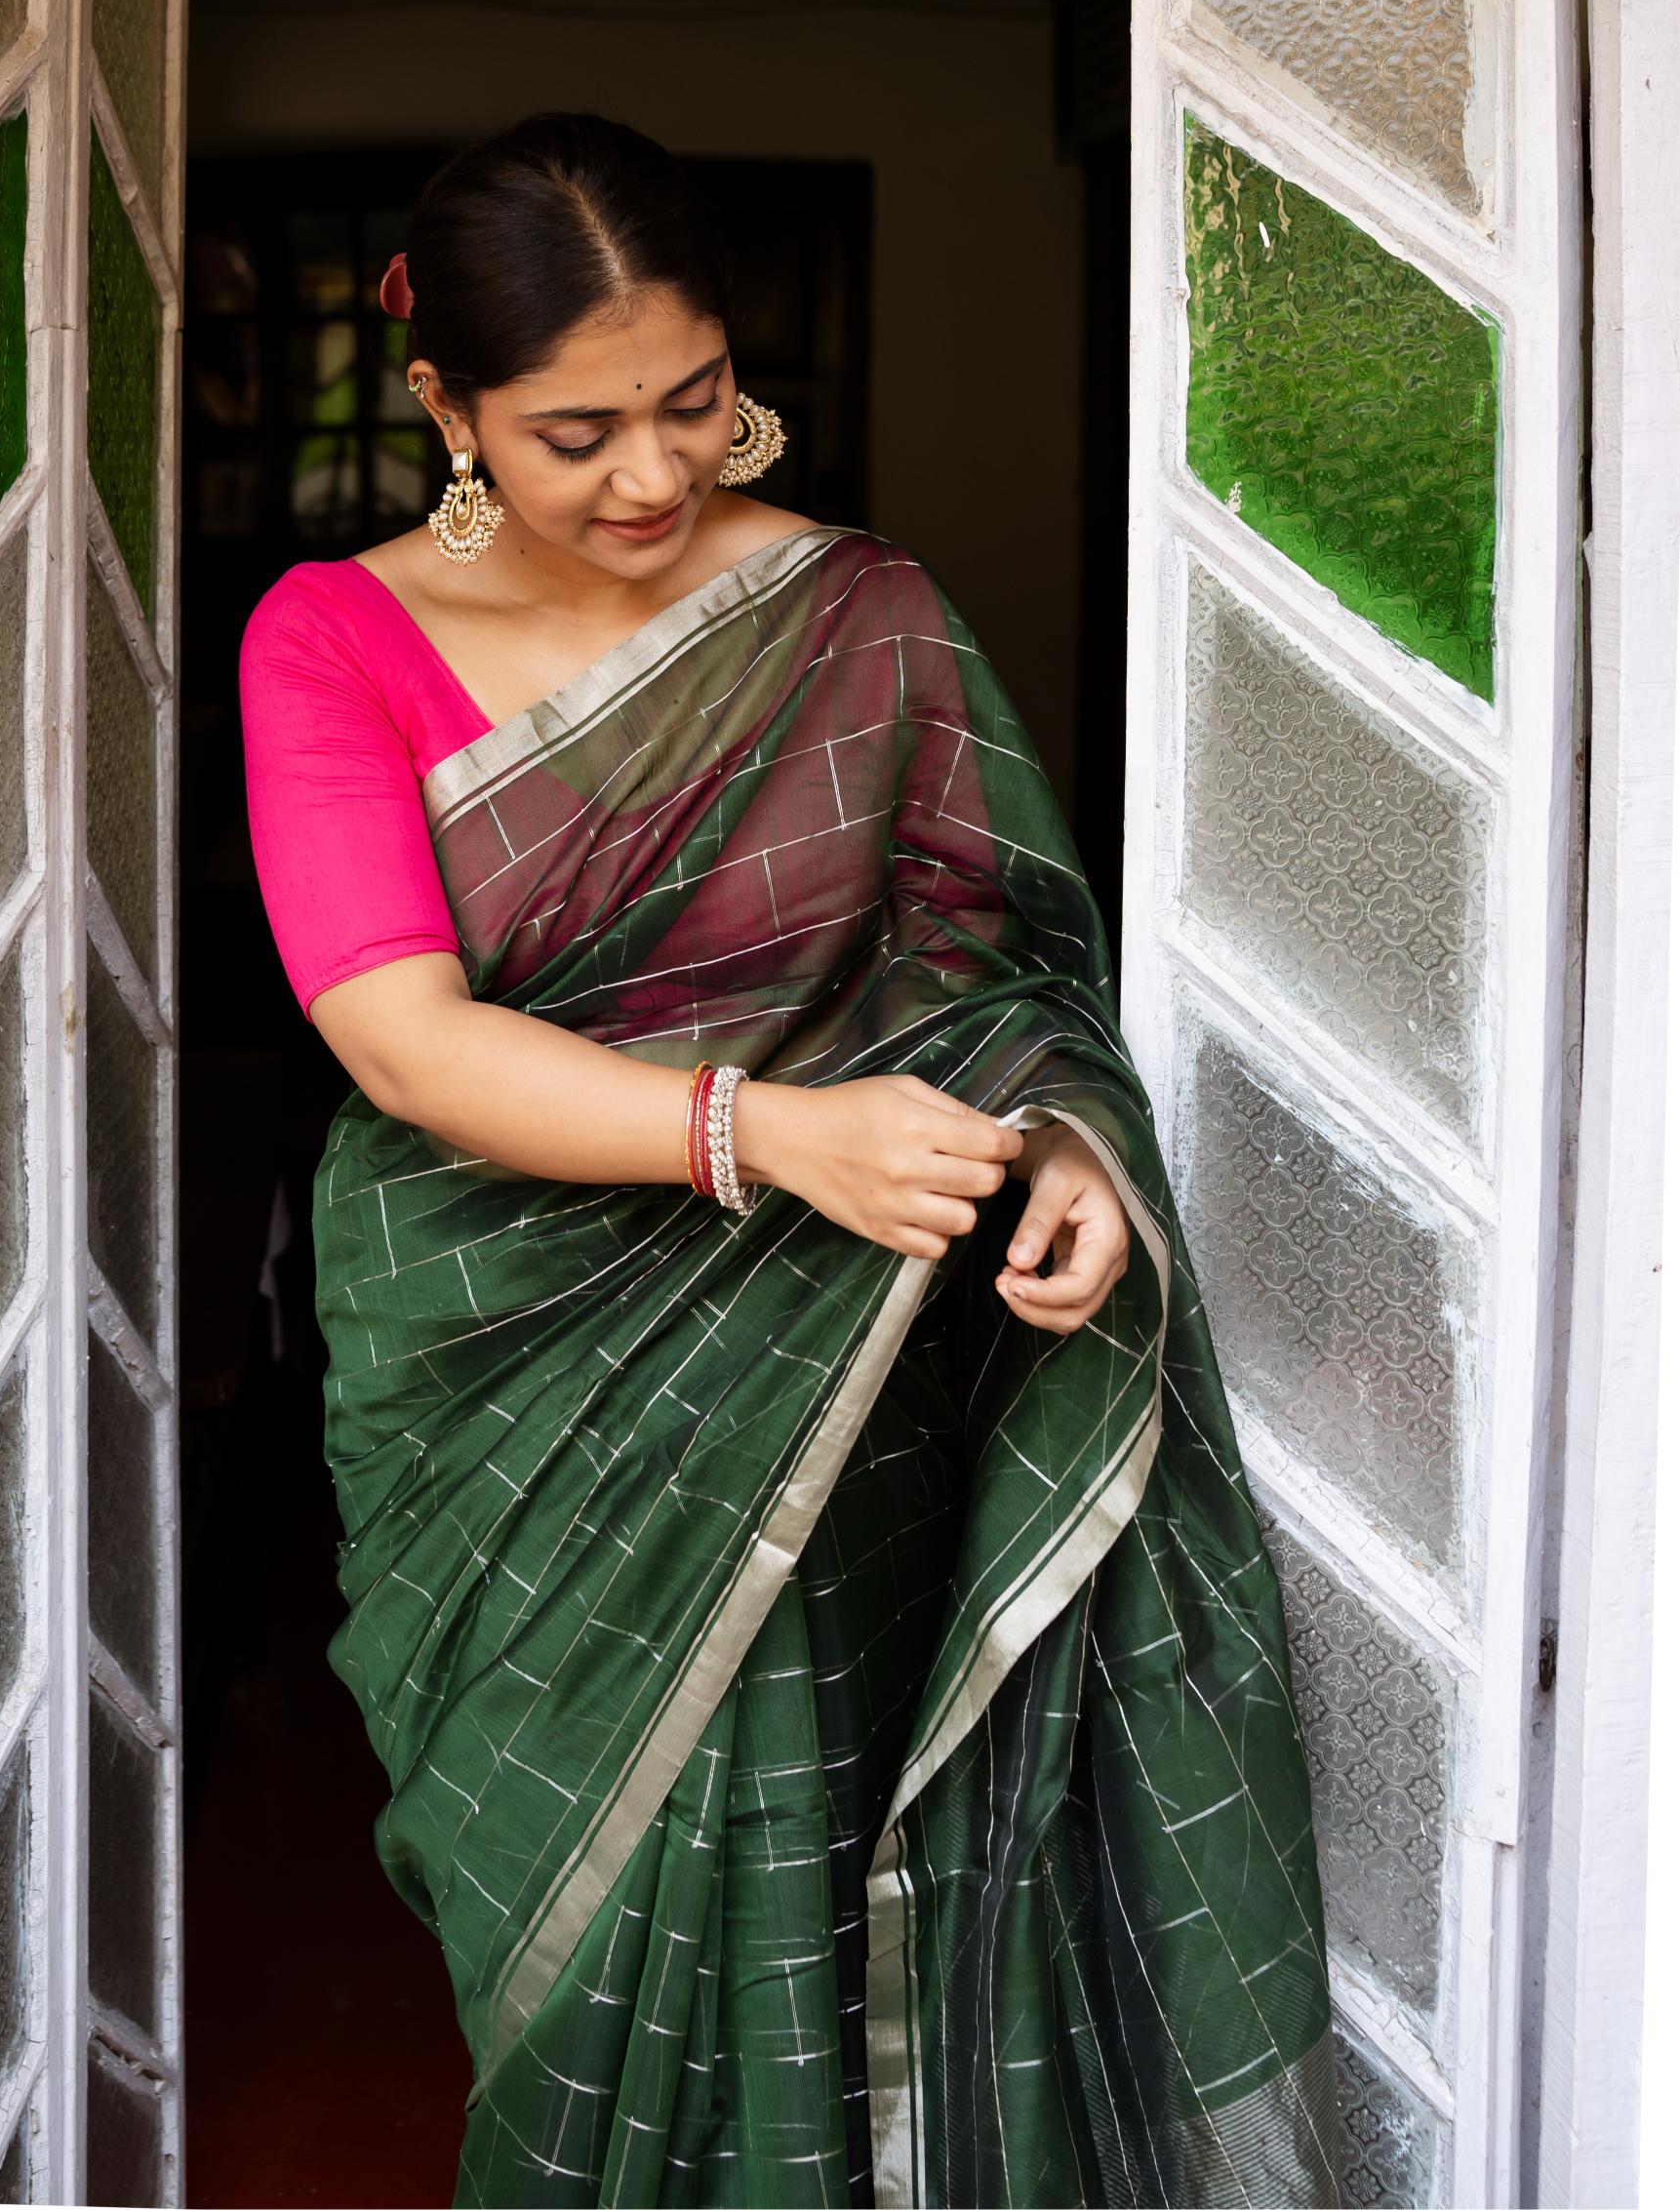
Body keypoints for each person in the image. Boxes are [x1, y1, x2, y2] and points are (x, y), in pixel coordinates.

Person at [240, 114, 1336, 2210]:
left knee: (837, 1884)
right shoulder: (333, 636)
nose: (652, 478)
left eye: (693, 401)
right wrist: (769, 1136)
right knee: (595, 1904)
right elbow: (399, 1032)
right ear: (444, 408)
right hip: (514, 1381)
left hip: (838, 1387)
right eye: (572, 433)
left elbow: (991, 964)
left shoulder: (854, 609)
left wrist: (1072, 1144)